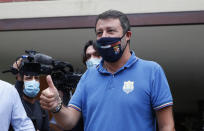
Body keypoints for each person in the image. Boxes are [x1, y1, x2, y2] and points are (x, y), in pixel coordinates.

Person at [40, 10, 175, 131]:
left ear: (127, 35)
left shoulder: (151, 71)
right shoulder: (88, 77)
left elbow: (167, 126)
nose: (104, 37)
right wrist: (56, 106)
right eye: (99, 33)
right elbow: (69, 122)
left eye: (110, 31)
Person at [10, 57, 50, 131]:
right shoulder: (14, 105)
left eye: (36, 78)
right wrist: (19, 75)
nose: (33, 81)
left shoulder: (42, 108)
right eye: (29, 78)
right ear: (21, 81)